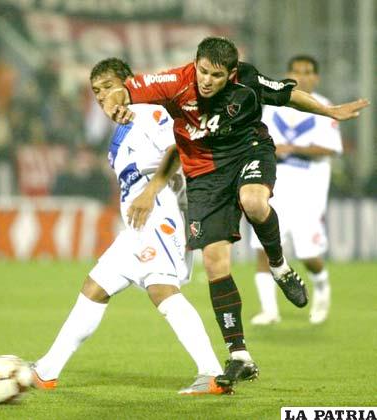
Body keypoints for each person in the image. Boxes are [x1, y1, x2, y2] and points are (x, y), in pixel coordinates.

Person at [103, 37, 369, 388]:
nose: (206, 81)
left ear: (230, 74)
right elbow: (122, 89)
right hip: (203, 174)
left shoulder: (248, 80)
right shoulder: (174, 83)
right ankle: (240, 355)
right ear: (194, 64)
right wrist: (114, 105)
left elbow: (288, 95)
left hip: (249, 150)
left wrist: (331, 112)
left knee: (255, 201)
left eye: (215, 75)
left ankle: (279, 267)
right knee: (215, 263)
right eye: (202, 71)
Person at [32, 58, 231, 396]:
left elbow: (178, 149)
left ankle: (212, 373)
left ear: (128, 82)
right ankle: (46, 370)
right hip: (137, 222)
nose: (102, 95)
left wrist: (152, 191)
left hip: (159, 210)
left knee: (160, 288)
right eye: (96, 91)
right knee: (96, 286)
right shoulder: (120, 131)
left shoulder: (149, 112)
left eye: (108, 86)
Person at [250, 55, 343, 325]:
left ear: (317, 77)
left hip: (308, 194)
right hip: (273, 186)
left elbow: (331, 148)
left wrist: (291, 149)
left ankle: (322, 287)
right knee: (265, 249)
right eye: (296, 71)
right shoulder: (272, 106)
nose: (302, 76)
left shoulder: (324, 108)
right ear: (288, 73)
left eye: (308, 72)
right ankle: (269, 310)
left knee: (308, 255)